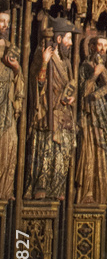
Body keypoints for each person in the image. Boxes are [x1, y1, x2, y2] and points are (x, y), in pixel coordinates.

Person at [26, 18, 77, 200]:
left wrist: (71, 98)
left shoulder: (66, 63)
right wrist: (44, 63)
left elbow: (70, 86)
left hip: (64, 116)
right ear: (58, 39)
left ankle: (57, 188)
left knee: (62, 155)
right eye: (68, 39)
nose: (70, 43)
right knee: (46, 152)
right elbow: (36, 84)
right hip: (47, 114)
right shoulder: (43, 55)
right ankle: (42, 186)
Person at [76, 36, 107, 204]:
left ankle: (102, 195)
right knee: (92, 153)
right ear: (91, 47)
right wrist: (93, 76)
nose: (103, 49)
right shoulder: (85, 67)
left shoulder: (105, 70)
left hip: (106, 118)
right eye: (99, 45)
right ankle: (89, 193)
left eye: (106, 46)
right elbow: (82, 94)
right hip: (92, 118)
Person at [0, 0, 22, 200]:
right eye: (1, 22)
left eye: (7, 22)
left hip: (6, 105)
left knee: (10, 143)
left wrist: (16, 69)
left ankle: (4, 190)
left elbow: (20, 81)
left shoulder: (11, 50)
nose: (5, 26)